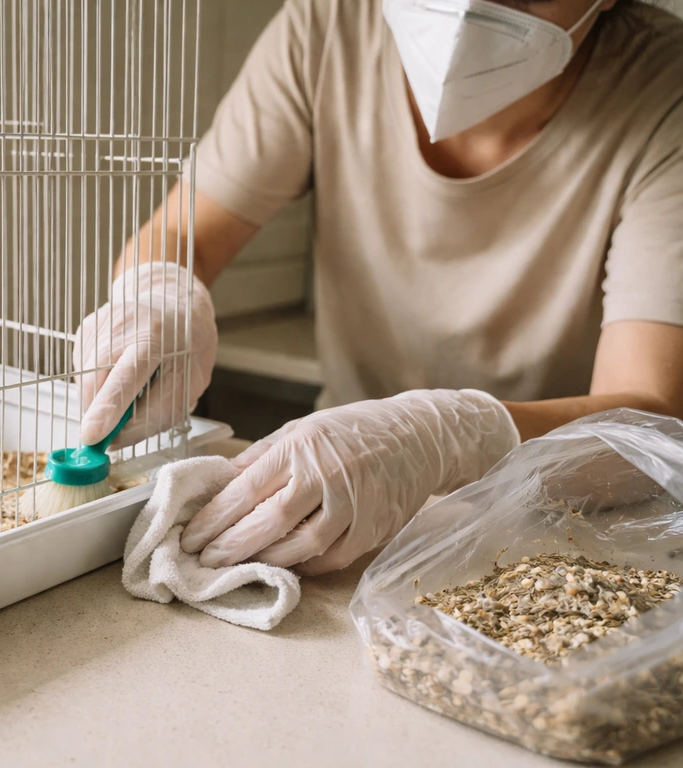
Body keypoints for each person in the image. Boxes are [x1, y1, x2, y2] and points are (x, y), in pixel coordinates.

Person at [73, 0, 683, 576]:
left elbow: (648, 417)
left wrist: (451, 438)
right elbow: (184, 231)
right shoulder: (329, 24)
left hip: (570, 512)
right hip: (331, 485)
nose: (468, 13)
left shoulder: (666, 88)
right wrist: (161, 293)